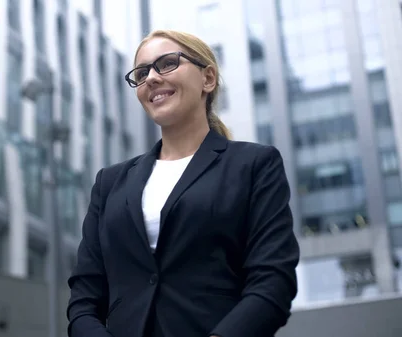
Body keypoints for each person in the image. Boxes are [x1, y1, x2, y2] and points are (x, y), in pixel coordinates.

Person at [66, 29, 300, 337]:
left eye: (167, 64)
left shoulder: (254, 165)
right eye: (141, 72)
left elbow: (273, 281)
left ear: (208, 79)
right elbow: (84, 299)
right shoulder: (109, 183)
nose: (151, 78)